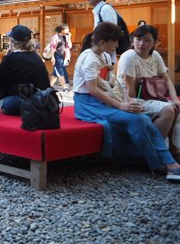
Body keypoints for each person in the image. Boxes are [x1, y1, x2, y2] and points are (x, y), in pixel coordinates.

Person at [73, 22, 180, 181]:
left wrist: (125, 101)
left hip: (103, 100)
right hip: (89, 105)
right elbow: (93, 90)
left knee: (142, 117)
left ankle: (163, 160)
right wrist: (121, 105)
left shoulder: (101, 54)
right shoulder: (91, 59)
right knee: (137, 119)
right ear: (103, 42)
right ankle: (159, 163)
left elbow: (107, 86)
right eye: (115, 42)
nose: (117, 45)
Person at [117, 25, 180, 162]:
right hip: (129, 98)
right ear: (132, 40)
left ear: (154, 43)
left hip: (150, 97)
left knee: (176, 108)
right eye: (138, 39)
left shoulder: (155, 55)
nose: (141, 44)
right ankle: (151, 152)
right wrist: (132, 105)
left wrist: (175, 99)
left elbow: (167, 79)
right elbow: (130, 91)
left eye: (147, 40)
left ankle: (173, 151)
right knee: (168, 110)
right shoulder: (129, 56)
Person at [0, 25, 50, 115]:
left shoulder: (11, 58)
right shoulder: (36, 57)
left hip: (21, 103)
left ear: (12, 42)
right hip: (43, 102)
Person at [49, 24, 72, 91]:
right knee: (60, 71)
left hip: (64, 56)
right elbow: (52, 47)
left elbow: (69, 46)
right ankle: (64, 86)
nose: (68, 30)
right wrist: (52, 57)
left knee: (55, 73)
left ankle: (49, 86)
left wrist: (69, 37)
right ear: (62, 30)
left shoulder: (66, 37)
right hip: (57, 55)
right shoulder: (55, 37)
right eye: (67, 29)